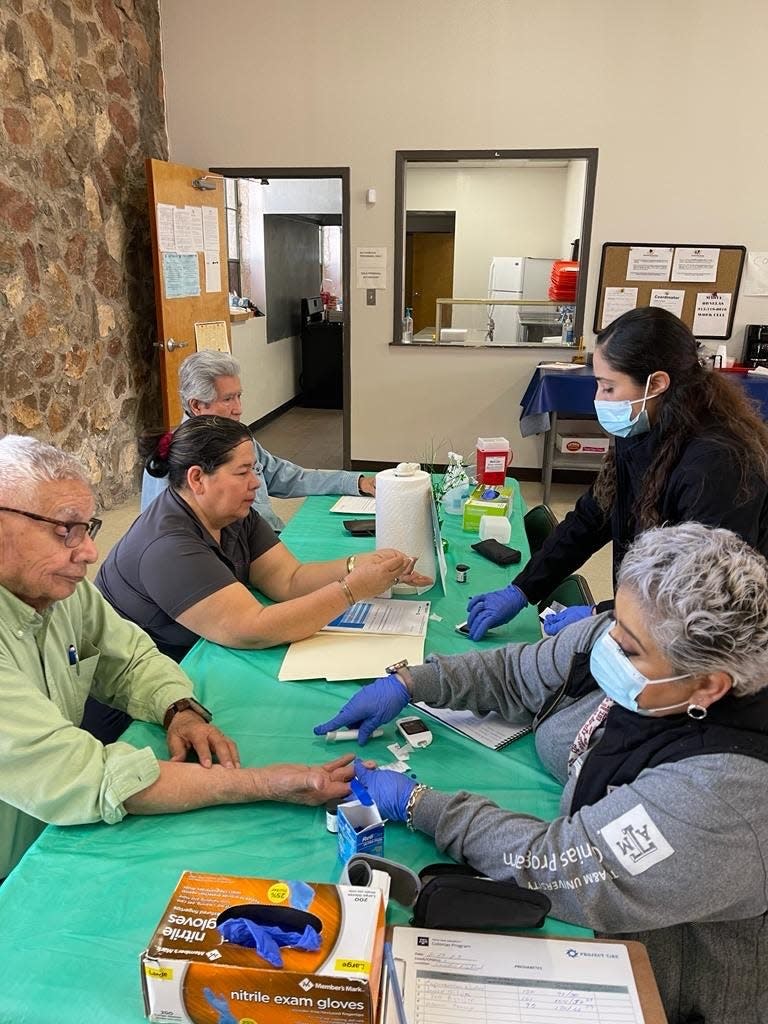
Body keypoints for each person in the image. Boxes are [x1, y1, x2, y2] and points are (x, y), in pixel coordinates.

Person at [315, 523, 768, 1023]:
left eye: (631, 649)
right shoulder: (632, 646)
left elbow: (559, 865)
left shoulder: (724, 795)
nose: (607, 647)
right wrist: (413, 681)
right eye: (615, 620)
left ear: (707, 686)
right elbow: (517, 672)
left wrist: (421, 803)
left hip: (662, 989)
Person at [0, 435, 357, 882]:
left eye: (87, 528)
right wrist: (263, 783)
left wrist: (177, 709)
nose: (90, 551)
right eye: (64, 529)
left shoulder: (57, 590)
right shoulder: (157, 542)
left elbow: (128, 657)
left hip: (47, 831)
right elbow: (84, 775)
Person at [467, 306, 768, 640]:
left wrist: (605, 613)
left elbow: (703, 589)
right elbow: (591, 519)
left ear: (657, 383)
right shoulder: (645, 429)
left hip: (712, 635)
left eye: (608, 388)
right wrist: (522, 589)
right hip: (652, 618)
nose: (599, 399)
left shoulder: (719, 463)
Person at [96, 416, 430, 662]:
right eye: (242, 473)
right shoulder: (168, 546)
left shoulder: (232, 514)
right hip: (139, 693)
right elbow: (250, 628)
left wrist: (358, 564)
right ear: (197, 478)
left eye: (254, 470)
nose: (256, 483)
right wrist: (352, 589)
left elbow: (288, 578)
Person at [140, 351, 375, 531]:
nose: (238, 409)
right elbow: (164, 536)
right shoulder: (174, 456)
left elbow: (285, 476)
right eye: (228, 399)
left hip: (271, 539)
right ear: (197, 405)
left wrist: (353, 482)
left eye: (239, 396)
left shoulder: (237, 438)